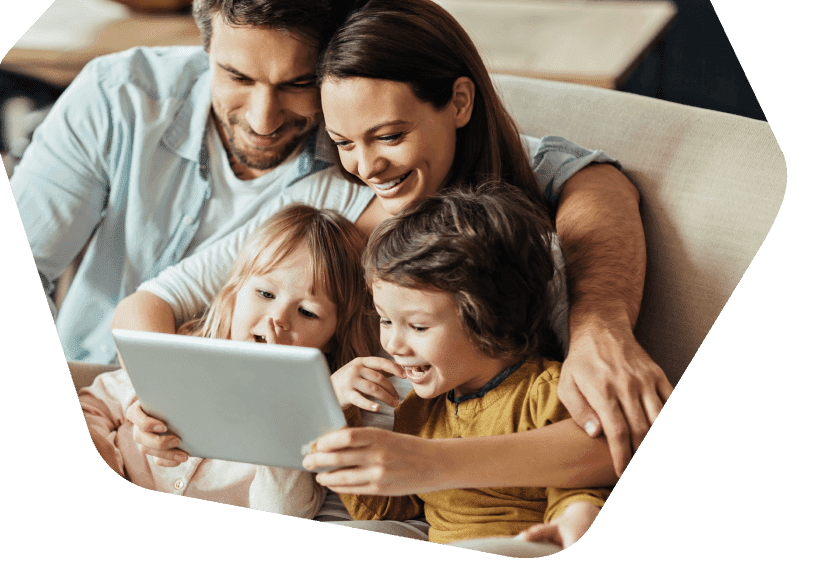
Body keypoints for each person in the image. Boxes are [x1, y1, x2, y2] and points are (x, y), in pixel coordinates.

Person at [116, 0, 671, 479]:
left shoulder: (508, 249)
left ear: (459, 102)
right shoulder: (326, 200)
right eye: (344, 143)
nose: (367, 166)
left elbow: (605, 437)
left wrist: (422, 463)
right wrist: (159, 401)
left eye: (389, 136)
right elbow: (153, 303)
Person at [10, 0, 366, 365]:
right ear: (205, 46)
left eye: (298, 84)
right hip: (80, 378)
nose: (263, 121)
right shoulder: (118, 95)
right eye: (238, 77)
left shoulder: (358, 170)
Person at [327, 182, 610, 549]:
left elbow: (580, 482)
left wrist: (576, 516)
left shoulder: (544, 392)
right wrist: (339, 417)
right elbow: (388, 509)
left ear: (489, 318)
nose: (392, 344)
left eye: (417, 326)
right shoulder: (420, 409)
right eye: (384, 320)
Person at [80, 204, 377, 515]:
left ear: (331, 341)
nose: (278, 318)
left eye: (307, 312)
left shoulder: (313, 425)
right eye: (265, 294)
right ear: (235, 295)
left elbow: (283, 511)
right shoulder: (180, 359)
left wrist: (282, 404)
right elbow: (93, 405)